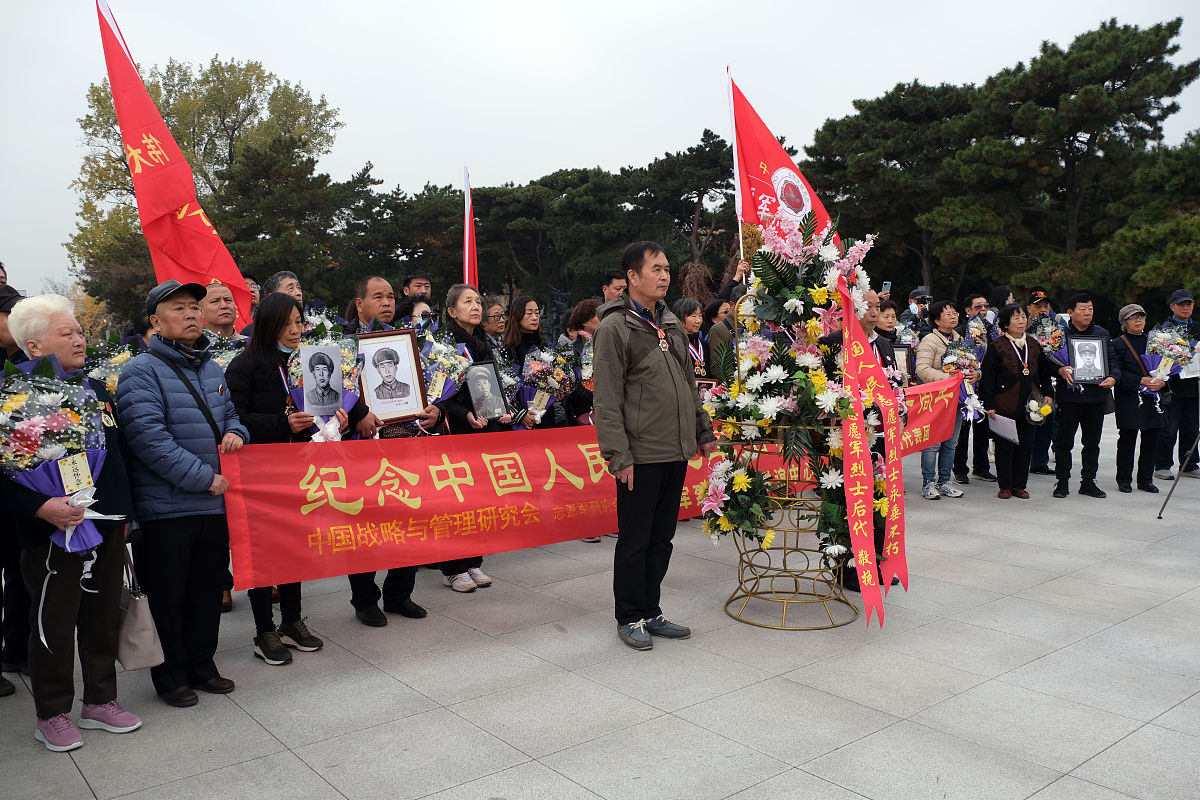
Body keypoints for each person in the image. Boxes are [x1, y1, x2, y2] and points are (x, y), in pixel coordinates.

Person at [0, 295, 141, 750]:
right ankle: (52, 713)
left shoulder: (96, 390)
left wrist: (122, 518)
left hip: (102, 524)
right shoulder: (10, 399)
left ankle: (101, 700)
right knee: (53, 625)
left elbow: (115, 459)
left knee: (101, 616)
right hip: (48, 532)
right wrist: (40, 507)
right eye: (69, 333)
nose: (81, 338)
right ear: (35, 346)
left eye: (81, 331)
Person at [116, 280, 249, 708]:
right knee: (168, 593)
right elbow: (148, 439)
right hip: (167, 507)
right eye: (179, 309)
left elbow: (232, 415)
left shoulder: (210, 367)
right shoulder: (140, 371)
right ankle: (171, 673)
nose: (191, 314)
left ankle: (202, 663)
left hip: (212, 502)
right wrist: (202, 478)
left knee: (206, 587)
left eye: (194, 307)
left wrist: (235, 432)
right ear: (156, 322)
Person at [593, 241, 717, 651]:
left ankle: (651, 610)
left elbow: (688, 385)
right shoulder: (615, 327)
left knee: (662, 537)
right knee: (635, 539)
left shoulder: (669, 323)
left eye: (667, 268)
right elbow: (606, 401)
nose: (665, 275)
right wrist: (618, 456)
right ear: (632, 276)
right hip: (640, 455)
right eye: (656, 269)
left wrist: (702, 432)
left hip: (674, 449)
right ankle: (629, 616)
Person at [225, 294, 334, 666]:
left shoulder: (304, 363)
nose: (295, 330)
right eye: (287, 323)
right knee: (264, 552)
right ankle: (264, 630)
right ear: (268, 324)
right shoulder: (245, 366)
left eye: (299, 322)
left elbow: (320, 407)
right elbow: (233, 419)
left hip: (299, 470)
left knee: (294, 547)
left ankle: (292, 620)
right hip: (260, 474)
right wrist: (280, 423)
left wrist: (336, 419)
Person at [435, 284, 512, 593]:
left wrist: (502, 410)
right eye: (468, 302)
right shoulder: (443, 345)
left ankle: (473, 561)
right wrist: (463, 413)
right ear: (452, 311)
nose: (476, 306)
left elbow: (492, 386)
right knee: (457, 499)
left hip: (485, 427)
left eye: (478, 301)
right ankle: (452, 568)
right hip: (458, 430)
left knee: (481, 496)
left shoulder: (484, 341)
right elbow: (439, 391)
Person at [979, 304, 1055, 499]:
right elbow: (988, 377)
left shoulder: (1033, 344)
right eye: (1016, 318)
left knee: (1026, 444)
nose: (1021, 321)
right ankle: (1005, 485)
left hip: (1032, 403)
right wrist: (989, 404)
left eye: (1023, 317)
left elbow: (1043, 373)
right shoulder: (998, 346)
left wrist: (1048, 393)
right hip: (1005, 403)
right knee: (1005, 445)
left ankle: (1020, 485)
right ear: (1005, 323)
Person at [1051, 292, 1118, 499]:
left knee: (1092, 443)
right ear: (1070, 312)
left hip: (1096, 396)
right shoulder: (1058, 335)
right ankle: (1062, 482)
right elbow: (1047, 363)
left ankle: (1088, 482)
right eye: (1083, 309)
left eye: (1090, 309)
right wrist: (1060, 371)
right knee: (1064, 442)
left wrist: (1114, 377)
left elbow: (1113, 361)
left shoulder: (1102, 334)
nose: (1088, 313)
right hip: (1069, 397)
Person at [0, 287, 31, 700]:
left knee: (20, 569)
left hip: (20, 492)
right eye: (13, 315)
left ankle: (18, 649)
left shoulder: (26, 365)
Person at [915, 300, 969, 500]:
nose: (954, 316)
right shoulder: (930, 340)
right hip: (936, 399)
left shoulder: (959, 338)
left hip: (956, 399)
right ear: (937, 320)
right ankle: (928, 483)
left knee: (951, 443)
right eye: (948, 314)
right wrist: (949, 379)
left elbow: (969, 363)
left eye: (955, 312)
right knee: (932, 443)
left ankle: (945, 481)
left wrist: (975, 374)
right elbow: (922, 369)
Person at [1112, 304, 1166, 493]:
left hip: (1153, 397)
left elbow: (1166, 367)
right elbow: (1116, 372)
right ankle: (1124, 479)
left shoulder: (1155, 342)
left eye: (1141, 316)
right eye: (1133, 317)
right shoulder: (1117, 344)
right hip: (1129, 397)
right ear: (1124, 322)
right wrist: (1139, 380)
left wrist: (1162, 381)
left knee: (1152, 438)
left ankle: (1145, 479)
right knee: (1127, 438)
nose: (1138, 320)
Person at [1155, 289, 1200, 482]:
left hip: (1194, 386)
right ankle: (1163, 465)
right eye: (1181, 304)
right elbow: (1158, 358)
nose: (1185, 307)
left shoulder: (1197, 327)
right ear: (1172, 306)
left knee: (1191, 427)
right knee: (1169, 428)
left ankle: (1189, 464)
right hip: (1172, 386)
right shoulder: (1165, 329)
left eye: (1188, 304)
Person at [954, 293, 997, 484]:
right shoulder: (961, 331)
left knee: (983, 428)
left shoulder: (992, 330)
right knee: (963, 430)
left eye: (985, 306)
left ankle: (981, 468)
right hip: (965, 388)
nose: (983, 310)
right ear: (968, 310)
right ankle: (960, 469)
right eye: (978, 307)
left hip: (985, 386)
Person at [1026, 289, 1057, 475]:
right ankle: (1025, 459)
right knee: (1029, 423)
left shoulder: (1055, 331)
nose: (1043, 309)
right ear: (1029, 308)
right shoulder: (1023, 329)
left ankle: (1040, 462)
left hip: (1049, 383)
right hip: (1027, 384)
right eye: (1038, 306)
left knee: (1047, 422)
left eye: (1046, 306)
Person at [673, 298, 708, 380]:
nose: (698, 320)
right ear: (680, 317)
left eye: (700, 316)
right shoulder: (674, 343)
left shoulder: (703, 344)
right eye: (694, 316)